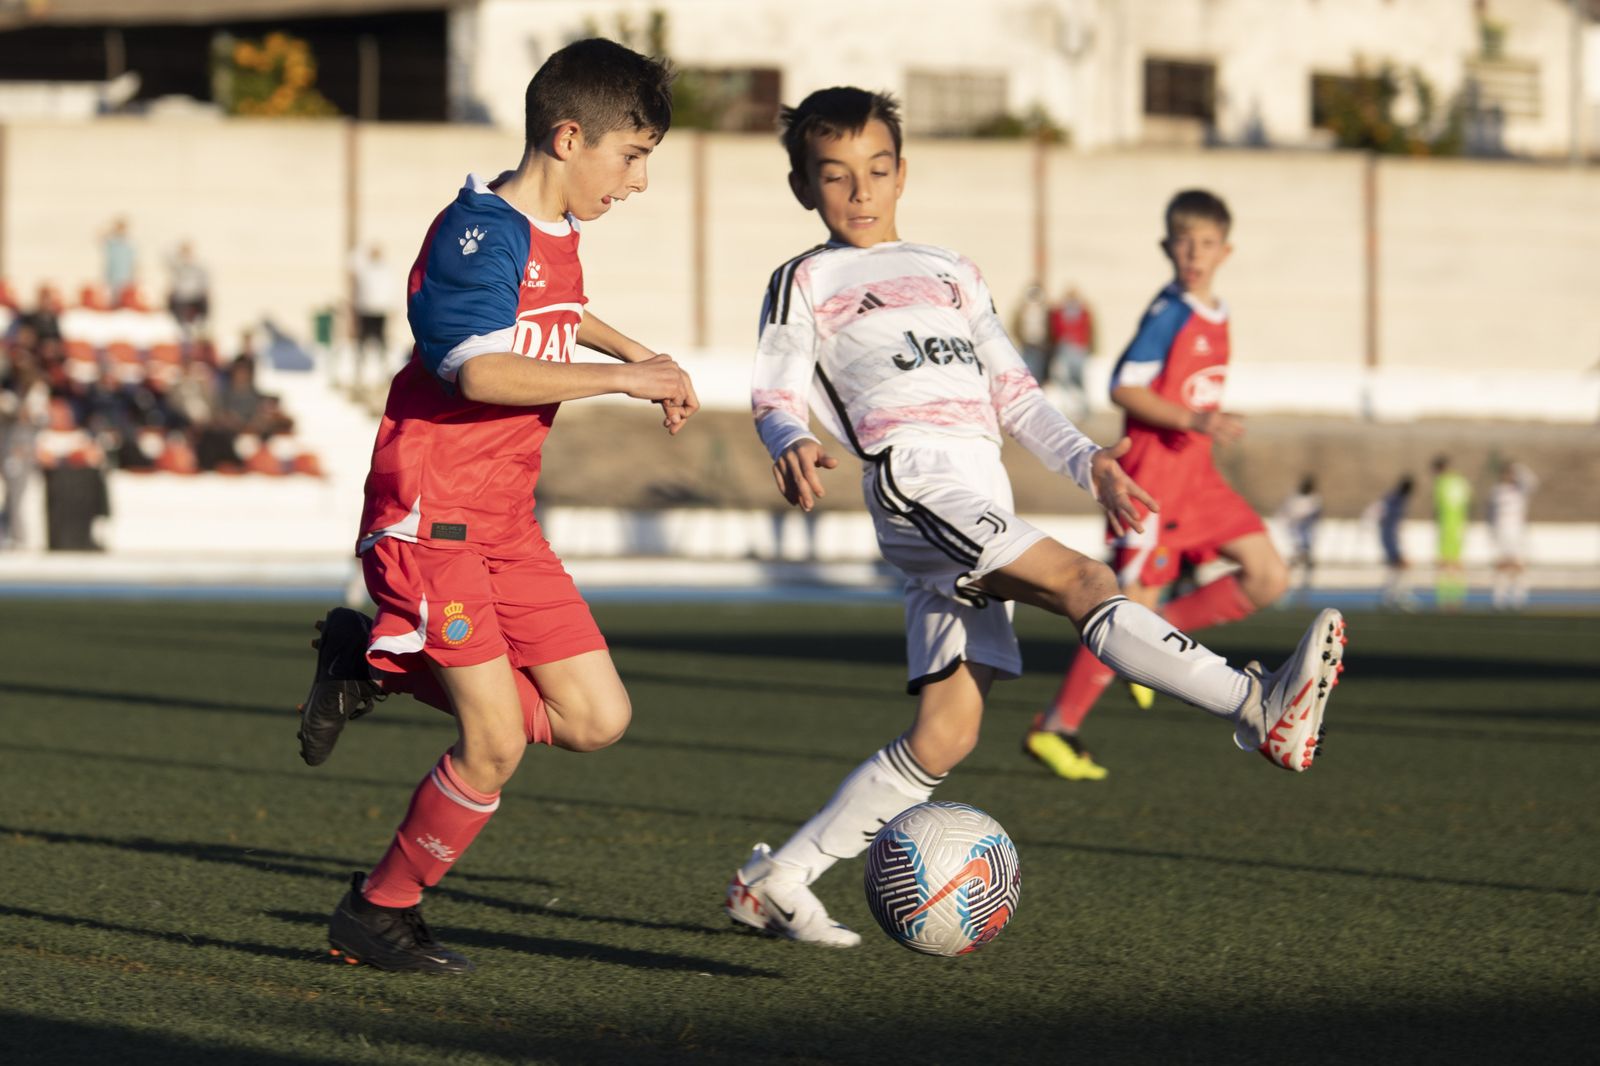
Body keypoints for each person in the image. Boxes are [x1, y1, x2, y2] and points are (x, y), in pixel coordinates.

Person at [723, 88, 1345, 947]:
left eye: (876, 171)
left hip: (982, 494)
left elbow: (1017, 395)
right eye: (835, 177)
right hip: (916, 484)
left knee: (949, 733)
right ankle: (1255, 709)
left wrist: (1088, 461)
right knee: (1088, 582)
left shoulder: (953, 272)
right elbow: (774, 386)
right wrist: (788, 436)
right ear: (804, 189)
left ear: (903, 173)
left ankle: (775, 878)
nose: (860, 192)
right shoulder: (806, 278)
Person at [294, 37, 695, 974]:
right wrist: (623, 379)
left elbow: (560, 310)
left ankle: (375, 664)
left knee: (597, 718)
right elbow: (476, 370)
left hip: (503, 517)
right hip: (430, 512)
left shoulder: (554, 233)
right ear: (568, 137)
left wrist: (645, 354)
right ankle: (378, 910)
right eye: (631, 156)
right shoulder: (477, 234)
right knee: (495, 742)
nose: (637, 181)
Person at [1026, 189, 1291, 781]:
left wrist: (1198, 427)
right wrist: (1194, 419)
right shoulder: (1169, 311)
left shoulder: (1213, 312)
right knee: (1127, 608)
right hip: (1154, 480)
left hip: (1198, 477)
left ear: (1226, 250)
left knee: (1268, 576)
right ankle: (1055, 729)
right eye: (1182, 241)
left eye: (1205, 243)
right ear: (1166, 247)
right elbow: (1124, 386)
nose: (1193, 253)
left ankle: (1154, 642)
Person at [1488, 460, 1538, 610]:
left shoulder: (1520, 490)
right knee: (1501, 565)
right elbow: (1490, 513)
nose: (1508, 476)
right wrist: (1492, 531)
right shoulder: (1496, 491)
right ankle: (1499, 598)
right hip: (1501, 532)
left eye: (1510, 473)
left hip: (1517, 532)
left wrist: (1518, 467)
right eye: (1506, 472)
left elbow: (1533, 481)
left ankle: (1518, 598)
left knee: (1518, 564)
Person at [347, 243, 395, 390]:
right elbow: (350, 263)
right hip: (366, 309)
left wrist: (392, 307)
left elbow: (391, 289)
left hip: (380, 310)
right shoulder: (365, 268)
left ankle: (383, 371)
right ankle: (360, 372)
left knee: (381, 342)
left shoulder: (386, 269)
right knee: (362, 342)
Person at [1368, 474, 1416, 611]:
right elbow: (1377, 513)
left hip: (1391, 536)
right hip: (1390, 537)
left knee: (1396, 568)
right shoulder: (1395, 499)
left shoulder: (1394, 498)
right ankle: (1399, 597)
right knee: (1401, 566)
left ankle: (1390, 597)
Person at [1431, 454, 1472, 610]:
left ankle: (1444, 599)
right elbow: (1469, 503)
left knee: (1444, 563)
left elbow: (1437, 507)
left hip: (1446, 527)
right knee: (1456, 563)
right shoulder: (1461, 481)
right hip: (1459, 527)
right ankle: (1458, 598)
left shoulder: (1441, 482)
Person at [1048, 285, 1095, 419]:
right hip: (1064, 347)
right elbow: (1056, 328)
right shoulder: (1060, 311)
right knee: (1063, 378)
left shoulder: (1083, 311)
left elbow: (1089, 330)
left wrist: (1090, 347)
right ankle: (1070, 406)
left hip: (1079, 348)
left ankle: (1084, 408)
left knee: (1079, 380)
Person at [1277, 474, 1323, 602]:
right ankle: (1285, 593)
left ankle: (1302, 595)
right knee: (1293, 566)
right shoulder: (1294, 499)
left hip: (1306, 540)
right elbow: (1284, 516)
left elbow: (1316, 519)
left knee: (1306, 567)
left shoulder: (1315, 500)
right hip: (1294, 540)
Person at [166, 242, 210, 338]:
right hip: (181, 297)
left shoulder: (198, 266)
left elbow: (204, 283)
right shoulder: (178, 267)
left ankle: (200, 324)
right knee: (174, 301)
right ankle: (181, 326)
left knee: (205, 301)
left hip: (195, 296)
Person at [1011, 282, 1051, 382]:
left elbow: (1049, 327)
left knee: (1039, 369)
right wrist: (1021, 338)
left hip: (1040, 346)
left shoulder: (1045, 309)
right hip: (1027, 344)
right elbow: (1016, 326)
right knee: (1027, 368)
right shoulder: (1022, 310)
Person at [103, 218, 137, 306]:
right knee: (112, 302)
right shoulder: (111, 242)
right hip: (112, 278)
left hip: (126, 278)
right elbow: (100, 237)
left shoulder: (130, 243)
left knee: (125, 303)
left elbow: (133, 261)